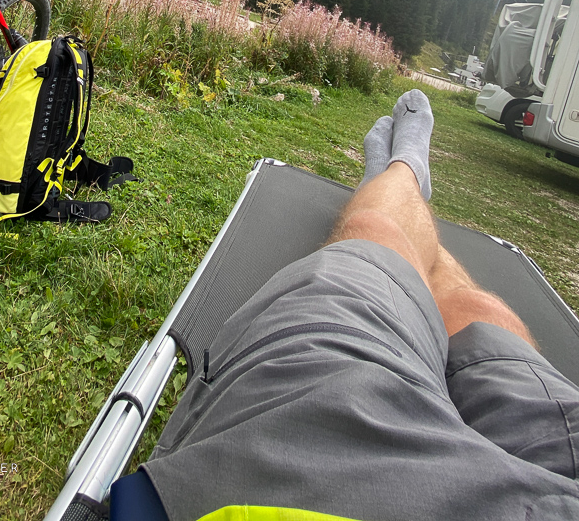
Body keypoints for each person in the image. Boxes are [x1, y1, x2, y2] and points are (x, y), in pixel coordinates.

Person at [130, 90, 579, 521]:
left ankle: (402, 173)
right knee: (483, 313)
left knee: (376, 234)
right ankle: (402, 189)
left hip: (330, 478)